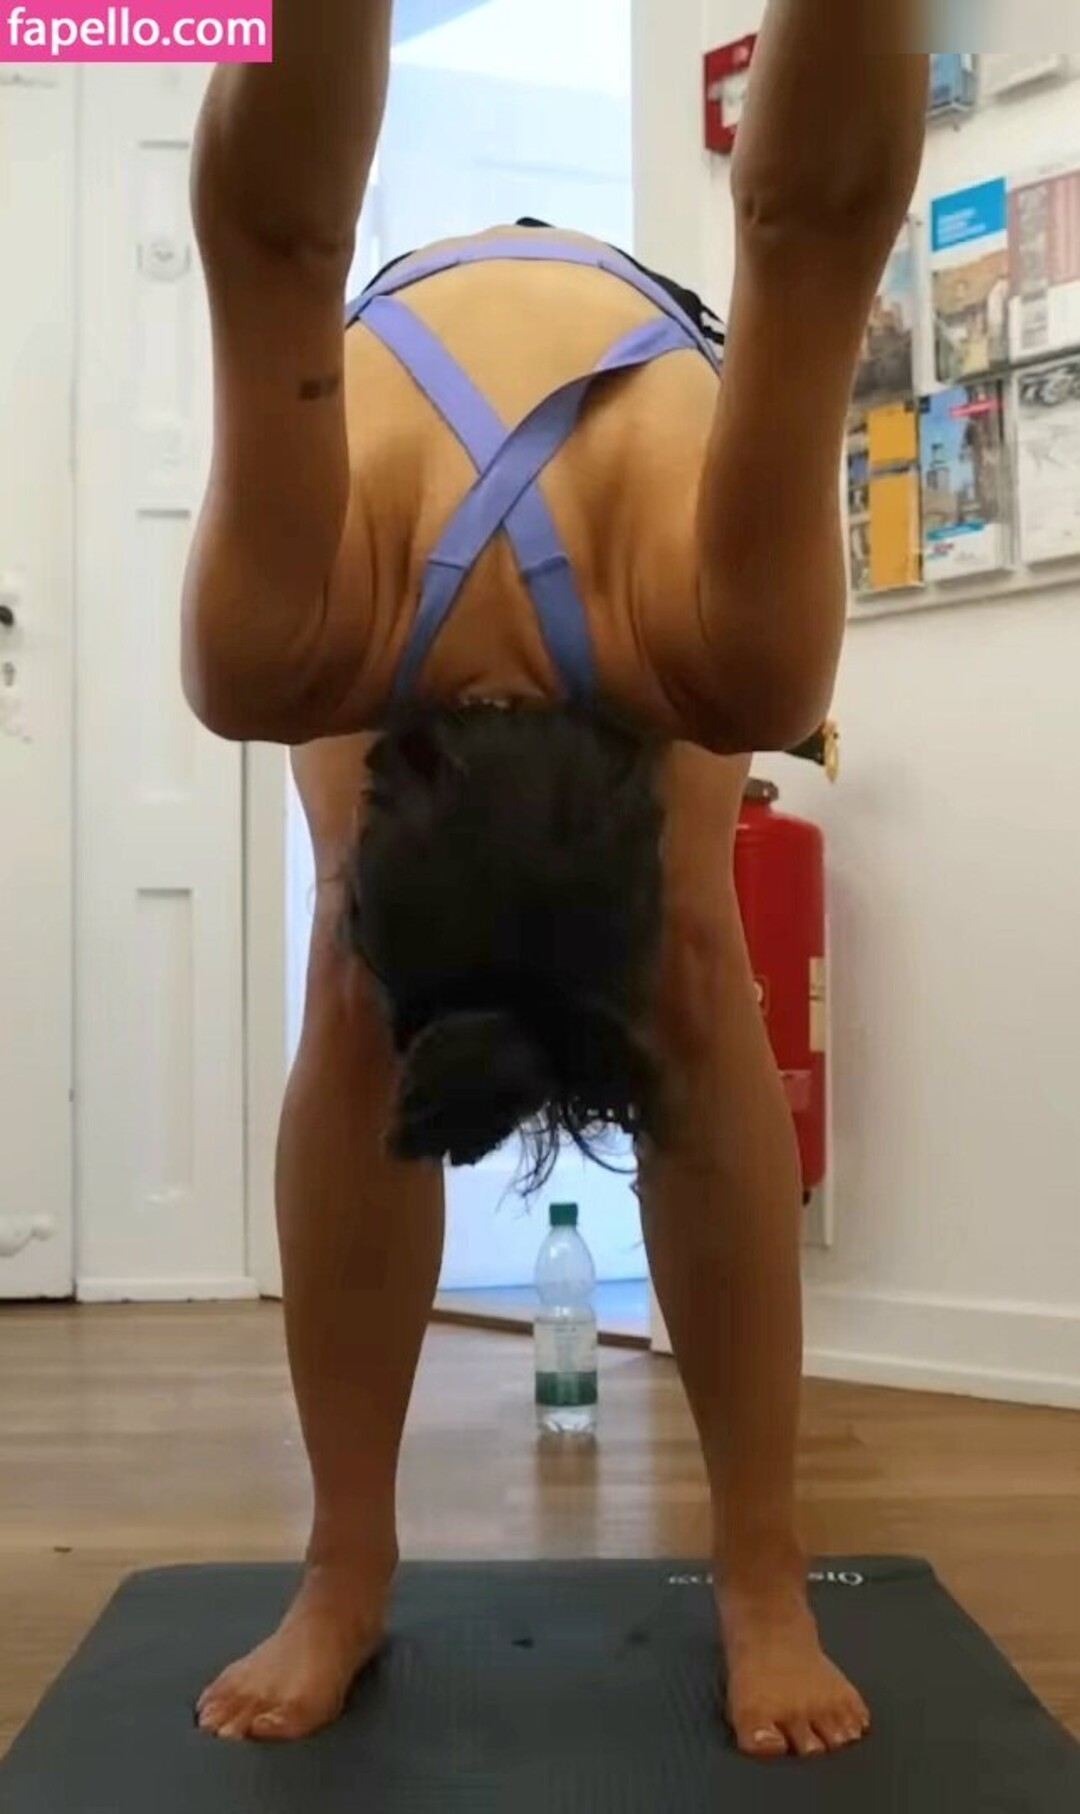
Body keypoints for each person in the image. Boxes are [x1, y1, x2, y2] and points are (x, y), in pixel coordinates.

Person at [183, 0, 928, 1761]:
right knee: (355, 988)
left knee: (693, 970)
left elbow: (277, 231)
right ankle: (344, 1563)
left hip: (581, 394)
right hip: (477, 390)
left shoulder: (291, 637)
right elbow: (813, 224)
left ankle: (763, 1572)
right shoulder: (732, 645)